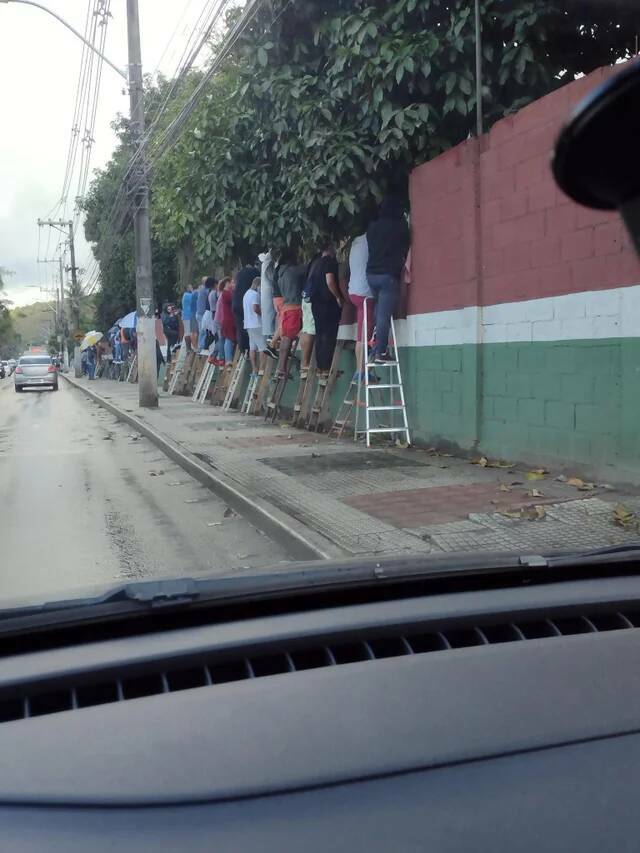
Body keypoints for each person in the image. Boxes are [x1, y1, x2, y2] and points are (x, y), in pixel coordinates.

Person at [366, 196, 410, 364]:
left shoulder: (372, 227)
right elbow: (406, 246)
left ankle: (375, 346)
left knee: (379, 311)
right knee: (384, 315)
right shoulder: (399, 227)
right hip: (388, 275)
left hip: (371, 274)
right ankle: (381, 352)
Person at [309, 240, 343, 374]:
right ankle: (327, 366)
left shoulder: (315, 263)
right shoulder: (330, 262)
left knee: (320, 333)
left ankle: (320, 366)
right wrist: (338, 297)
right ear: (330, 247)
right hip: (328, 302)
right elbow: (330, 281)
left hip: (315, 302)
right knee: (329, 334)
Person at [348, 233, 375, 380]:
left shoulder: (355, 241)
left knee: (361, 333)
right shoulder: (371, 239)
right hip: (366, 293)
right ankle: (361, 371)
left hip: (354, 291)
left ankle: (360, 370)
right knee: (365, 336)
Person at [275, 250, 307, 376]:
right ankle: (282, 368)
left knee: (285, 337)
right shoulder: (292, 270)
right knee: (288, 338)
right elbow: (307, 268)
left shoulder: (281, 274)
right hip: (294, 307)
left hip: (286, 307)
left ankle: (281, 368)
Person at [232, 260, 259, 354]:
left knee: (240, 327)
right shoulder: (254, 273)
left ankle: (243, 350)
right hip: (246, 301)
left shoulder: (240, 274)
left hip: (236, 301)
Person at [243, 277, 266, 376]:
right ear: (258, 285)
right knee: (263, 347)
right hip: (257, 323)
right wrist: (264, 315)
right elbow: (255, 308)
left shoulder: (246, 294)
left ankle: (254, 370)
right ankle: (262, 369)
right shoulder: (255, 294)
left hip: (248, 324)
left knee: (252, 347)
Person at [218, 277, 237, 365]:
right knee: (229, 338)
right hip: (228, 319)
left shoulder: (223, 293)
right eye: (231, 283)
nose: (232, 285)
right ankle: (228, 359)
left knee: (225, 338)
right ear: (227, 283)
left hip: (225, 319)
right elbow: (234, 300)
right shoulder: (227, 294)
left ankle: (225, 358)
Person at [258, 250, 276, 340]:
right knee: (270, 315)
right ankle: (271, 335)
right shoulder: (268, 265)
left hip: (266, 294)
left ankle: (270, 334)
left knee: (268, 315)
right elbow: (273, 278)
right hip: (269, 294)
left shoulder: (264, 264)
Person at [196, 277, 212, 351]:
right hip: (202, 314)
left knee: (202, 331)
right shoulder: (205, 290)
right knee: (203, 331)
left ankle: (201, 347)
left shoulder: (201, 289)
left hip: (199, 313)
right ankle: (201, 348)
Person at [181, 284, 193, 349]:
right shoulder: (188, 295)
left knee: (187, 332)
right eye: (191, 287)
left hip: (186, 316)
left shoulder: (185, 295)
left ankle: (188, 348)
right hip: (187, 316)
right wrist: (193, 291)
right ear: (188, 289)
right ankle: (188, 348)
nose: (192, 288)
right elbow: (195, 297)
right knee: (188, 332)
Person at [190, 284, 199, 349]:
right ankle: (196, 346)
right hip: (196, 313)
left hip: (192, 313)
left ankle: (193, 346)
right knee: (196, 332)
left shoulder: (193, 294)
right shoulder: (197, 293)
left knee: (192, 332)